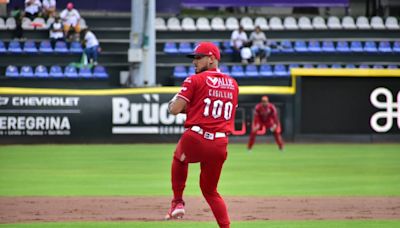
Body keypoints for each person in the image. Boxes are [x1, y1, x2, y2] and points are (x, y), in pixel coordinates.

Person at [165, 42, 239, 228]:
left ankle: (177, 202)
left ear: (212, 58)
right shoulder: (233, 84)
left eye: (199, 57)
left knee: (179, 159)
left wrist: (174, 101)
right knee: (211, 191)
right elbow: (219, 112)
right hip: (220, 144)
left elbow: (174, 110)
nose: (194, 62)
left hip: (196, 139)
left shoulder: (194, 80)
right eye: (194, 58)